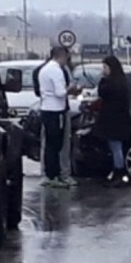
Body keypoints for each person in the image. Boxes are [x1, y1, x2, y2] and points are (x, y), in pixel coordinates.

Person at [36, 46, 81, 188]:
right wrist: (72, 89)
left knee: (49, 144)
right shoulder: (56, 71)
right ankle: (54, 175)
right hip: (56, 110)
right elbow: (60, 92)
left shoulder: (44, 70)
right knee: (56, 145)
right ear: (61, 56)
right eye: (66, 58)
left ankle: (50, 174)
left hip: (46, 109)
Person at [95, 56, 131, 186]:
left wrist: (102, 80)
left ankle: (119, 172)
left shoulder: (111, 84)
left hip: (113, 120)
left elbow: (102, 93)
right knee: (116, 146)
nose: (104, 70)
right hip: (120, 119)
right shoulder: (123, 82)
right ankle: (117, 172)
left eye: (105, 68)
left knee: (116, 146)